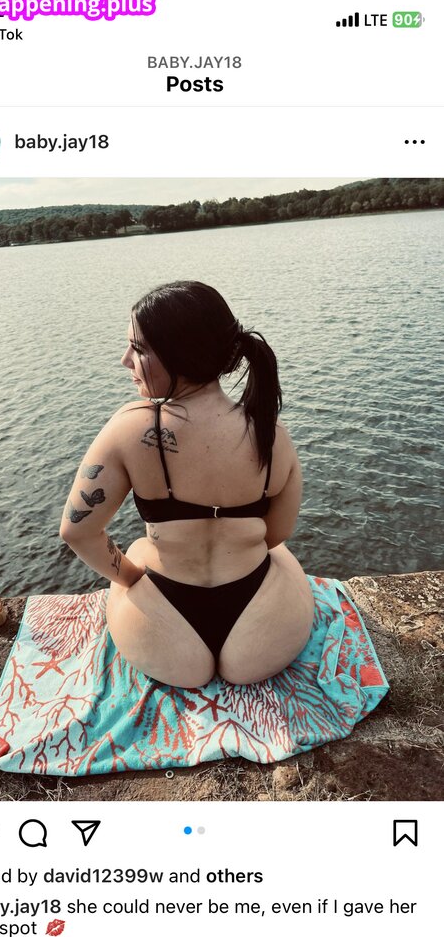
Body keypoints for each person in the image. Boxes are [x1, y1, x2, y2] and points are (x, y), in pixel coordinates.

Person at [60, 281, 314, 687]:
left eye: (138, 349)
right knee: (280, 554)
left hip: (165, 636)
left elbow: (78, 531)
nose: (125, 360)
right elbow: (277, 534)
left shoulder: (130, 427)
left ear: (181, 353)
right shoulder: (272, 433)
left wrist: (134, 581)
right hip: (261, 635)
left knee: (140, 548)